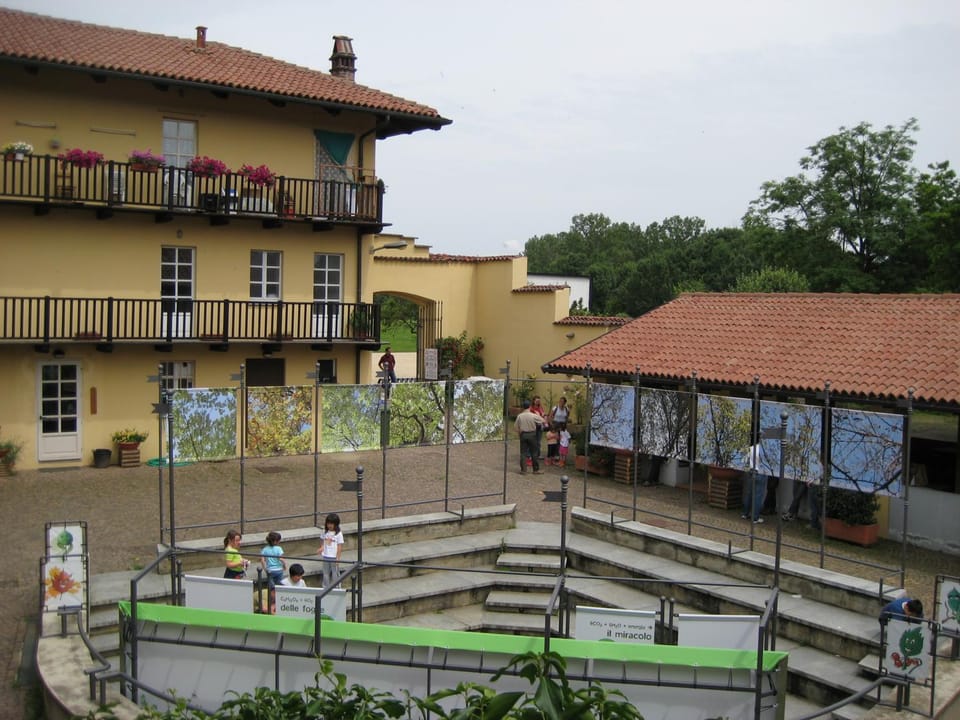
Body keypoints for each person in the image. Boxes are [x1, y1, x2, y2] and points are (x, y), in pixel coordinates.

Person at [741, 443, 768, 524]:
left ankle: (745, 513)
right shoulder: (764, 448)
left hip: (750, 470)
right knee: (758, 495)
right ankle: (755, 517)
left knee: (749, 493)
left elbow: (746, 458)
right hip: (760, 472)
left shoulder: (752, 447)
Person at [514, 400, 543, 474]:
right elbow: (542, 421)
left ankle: (524, 470)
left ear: (523, 407)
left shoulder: (519, 416)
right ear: (530, 406)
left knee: (523, 453)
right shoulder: (533, 415)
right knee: (534, 452)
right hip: (532, 434)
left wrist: (519, 433)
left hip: (523, 434)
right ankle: (535, 470)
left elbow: (516, 427)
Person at [318, 513, 344, 588]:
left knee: (335, 573)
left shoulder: (338, 534)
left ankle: (336, 587)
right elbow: (322, 541)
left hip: (334, 557)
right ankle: (325, 587)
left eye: (331, 524)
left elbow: (339, 546)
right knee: (325, 573)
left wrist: (338, 558)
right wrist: (321, 548)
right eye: (328, 523)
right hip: (326, 556)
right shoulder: (324, 531)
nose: (329, 525)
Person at [530, 396, 549, 460]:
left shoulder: (540, 408)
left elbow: (543, 414)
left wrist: (545, 417)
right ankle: (532, 454)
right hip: (533, 427)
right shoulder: (531, 408)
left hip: (540, 426)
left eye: (539, 401)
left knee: (538, 441)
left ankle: (538, 454)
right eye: (537, 401)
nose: (538, 402)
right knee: (533, 441)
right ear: (533, 401)